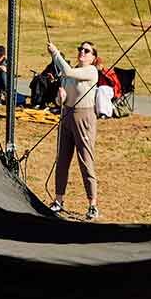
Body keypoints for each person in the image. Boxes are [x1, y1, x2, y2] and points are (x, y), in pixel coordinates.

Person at [48, 40, 100, 220]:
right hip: (66, 115)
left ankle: (92, 204)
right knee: (62, 159)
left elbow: (68, 71)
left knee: (85, 160)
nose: (82, 52)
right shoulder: (70, 73)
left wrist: (55, 53)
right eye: (80, 49)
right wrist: (59, 98)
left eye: (87, 51)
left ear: (93, 57)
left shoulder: (91, 71)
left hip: (84, 117)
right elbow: (58, 100)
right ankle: (59, 200)